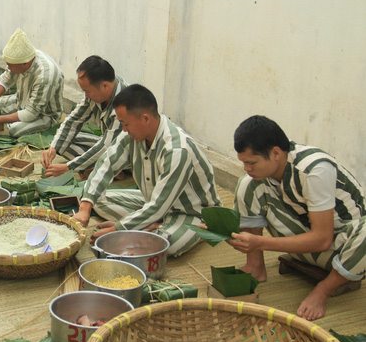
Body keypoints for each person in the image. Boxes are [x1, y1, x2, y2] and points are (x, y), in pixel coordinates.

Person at [229, 115, 366, 320]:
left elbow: (323, 239)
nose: (246, 168)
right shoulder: (265, 174)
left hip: (343, 251)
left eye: (251, 162)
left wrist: (259, 242)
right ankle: (255, 267)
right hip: (307, 245)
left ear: (276, 153)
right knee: (247, 185)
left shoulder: (314, 170)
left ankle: (323, 289)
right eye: (244, 162)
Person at [73, 84, 221, 256]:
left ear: (146, 119)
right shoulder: (132, 136)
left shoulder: (177, 151)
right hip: (152, 201)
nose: (124, 129)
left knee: (164, 245)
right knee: (96, 200)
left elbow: (158, 206)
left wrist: (119, 228)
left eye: (126, 123)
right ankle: (149, 225)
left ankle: (155, 228)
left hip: (189, 212)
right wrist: (84, 208)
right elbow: (105, 166)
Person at [41, 55, 127, 179]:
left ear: (105, 86)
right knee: (63, 142)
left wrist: (68, 167)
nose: (86, 95)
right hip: (107, 143)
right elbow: (73, 121)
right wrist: (52, 149)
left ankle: (110, 168)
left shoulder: (124, 104)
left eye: (87, 91)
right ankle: (100, 167)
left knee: (102, 149)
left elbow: (107, 146)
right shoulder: (97, 93)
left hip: (125, 153)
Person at [0, 29, 63, 137]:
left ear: (25, 63)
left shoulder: (45, 76)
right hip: (21, 100)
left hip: (44, 114)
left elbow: (30, 113)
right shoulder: (21, 58)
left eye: (10, 65)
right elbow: (5, 80)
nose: (8, 68)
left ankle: (48, 126)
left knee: (15, 130)